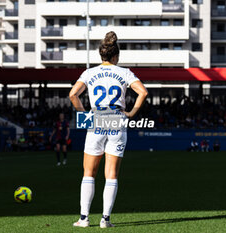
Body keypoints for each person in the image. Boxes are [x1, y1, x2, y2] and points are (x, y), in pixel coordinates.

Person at [69, 31, 148, 228]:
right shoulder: (124, 72)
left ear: (101, 55)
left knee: (89, 172)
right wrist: (131, 113)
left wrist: (84, 116)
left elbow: (73, 95)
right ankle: (105, 219)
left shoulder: (89, 73)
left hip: (96, 118)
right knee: (111, 174)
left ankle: (84, 219)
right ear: (116, 56)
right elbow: (143, 92)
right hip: (117, 118)